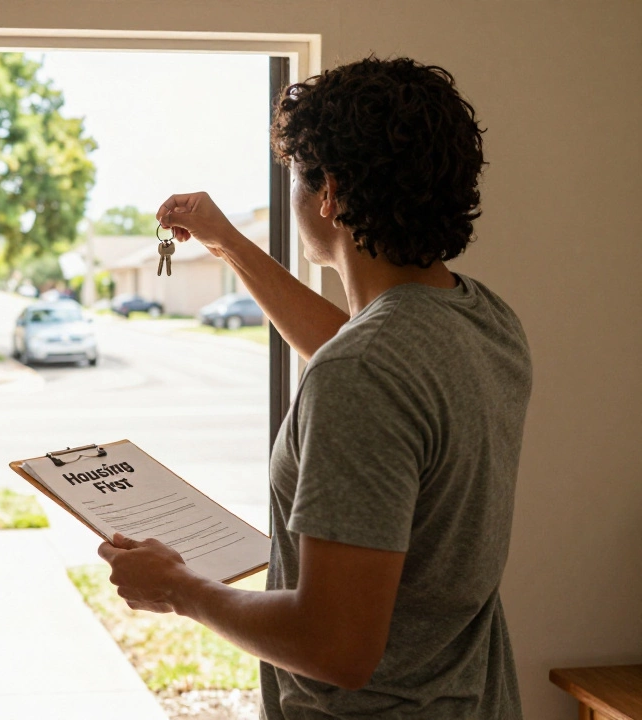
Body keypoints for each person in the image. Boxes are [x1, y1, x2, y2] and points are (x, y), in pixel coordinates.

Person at [98, 57, 532, 719]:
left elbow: (336, 647)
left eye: (294, 181)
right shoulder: (484, 319)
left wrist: (179, 588)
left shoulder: (365, 371)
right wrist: (229, 245)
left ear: (328, 192)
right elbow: (361, 355)